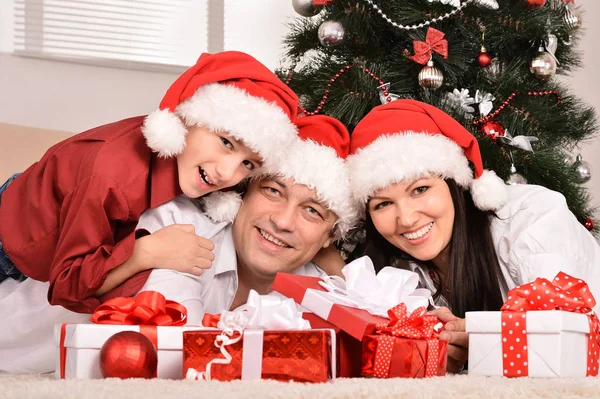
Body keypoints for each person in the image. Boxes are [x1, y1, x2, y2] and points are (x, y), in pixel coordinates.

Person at [0, 114, 357, 374]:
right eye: (273, 191)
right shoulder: (175, 226)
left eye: (312, 211)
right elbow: (186, 358)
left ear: (330, 236)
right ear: (241, 194)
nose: (283, 221)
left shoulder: (321, 289)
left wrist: (340, 272)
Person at [0, 51, 300, 314]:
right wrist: (144, 252)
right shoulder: (111, 178)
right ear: (186, 119)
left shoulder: (205, 167)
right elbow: (65, 286)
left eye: (248, 164)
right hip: (10, 241)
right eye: (226, 143)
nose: (227, 174)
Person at [347, 99, 600, 373]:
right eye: (383, 204)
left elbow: (566, 334)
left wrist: (486, 337)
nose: (406, 219)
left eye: (420, 190)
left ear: (454, 183)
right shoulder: (393, 268)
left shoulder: (531, 218)